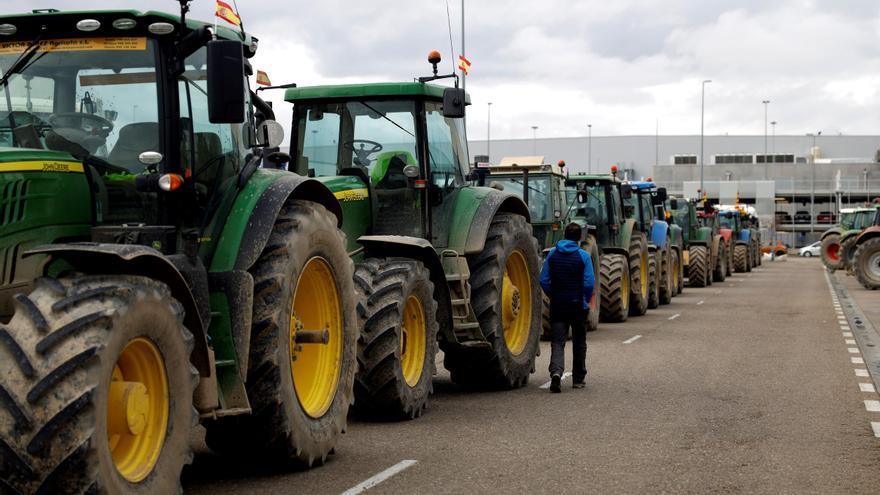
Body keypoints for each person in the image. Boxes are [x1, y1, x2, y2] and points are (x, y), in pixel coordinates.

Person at [539, 223, 595, 393]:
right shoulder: (583, 256)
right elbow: (589, 282)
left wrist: (553, 295)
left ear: (564, 235)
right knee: (579, 342)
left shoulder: (553, 255)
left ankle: (556, 373)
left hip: (558, 305)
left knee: (557, 341)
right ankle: (578, 379)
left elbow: (544, 279)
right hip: (578, 306)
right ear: (579, 238)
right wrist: (584, 299)